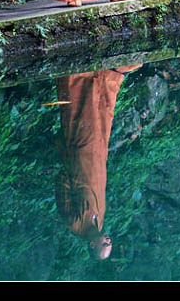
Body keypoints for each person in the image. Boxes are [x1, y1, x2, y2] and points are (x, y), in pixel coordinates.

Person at [54, 64, 143, 260]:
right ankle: (110, 74)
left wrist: (76, 166)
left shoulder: (74, 223)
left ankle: (83, 71)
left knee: (82, 110)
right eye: (109, 243)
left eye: (105, 244)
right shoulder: (99, 224)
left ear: (93, 244)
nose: (108, 240)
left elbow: (62, 183)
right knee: (103, 113)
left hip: (81, 152)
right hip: (98, 155)